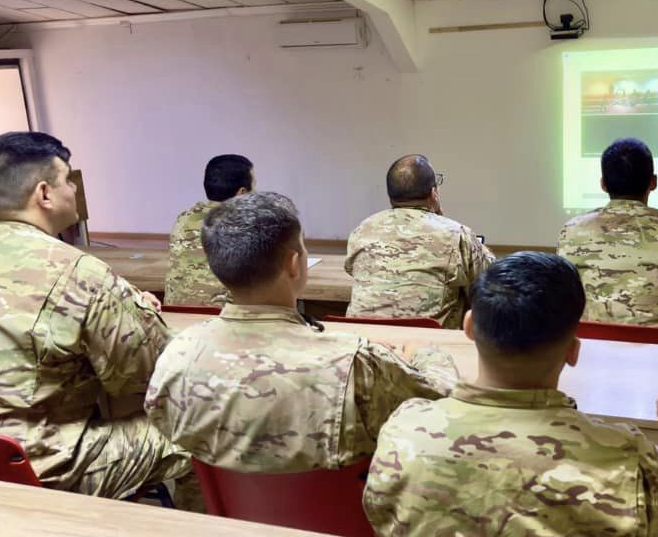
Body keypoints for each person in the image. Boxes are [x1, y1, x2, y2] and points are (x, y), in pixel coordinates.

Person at [0, 131, 192, 502]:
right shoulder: (77, 270)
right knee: (197, 430)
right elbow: (155, 370)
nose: (74, 189)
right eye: (68, 180)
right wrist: (134, 309)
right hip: (33, 467)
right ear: (45, 193)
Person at [364, 252, 658, 536]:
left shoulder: (403, 432)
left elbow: (379, 514)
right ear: (573, 352)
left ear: (469, 327)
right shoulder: (624, 457)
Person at [146, 191, 457, 472]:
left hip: (226, 521)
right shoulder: (353, 365)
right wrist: (424, 354)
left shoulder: (177, 356)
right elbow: (441, 396)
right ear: (294, 264)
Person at [557, 138, 658, 344]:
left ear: (603, 184)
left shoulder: (572, 231)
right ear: (653, 182)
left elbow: (567, 294)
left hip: (593, 355)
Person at [345, 154, 495, 329]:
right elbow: (488, 282)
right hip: (428, 348)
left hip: (364, 343)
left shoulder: (363, 230)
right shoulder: (456, 234)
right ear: (434, 193)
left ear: (390, 195)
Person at [164, 154, 253, 306]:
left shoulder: (184, 218)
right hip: (223, 320)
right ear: (242, 192)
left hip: (177, 315)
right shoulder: (247, 224)